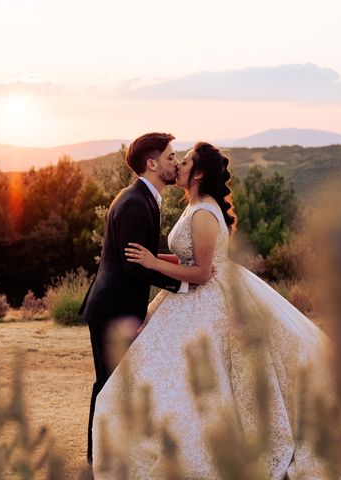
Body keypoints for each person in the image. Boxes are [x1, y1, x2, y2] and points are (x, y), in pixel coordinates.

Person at [92, 142, 334, 479]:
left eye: (186, 160)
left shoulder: (204, 211)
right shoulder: (195, 206)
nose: (178, 164)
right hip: (188, 298)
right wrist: (154, 259)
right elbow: (188, 259)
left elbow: (202, 272)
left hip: (206, 300)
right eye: (176, 158)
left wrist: (151, 263)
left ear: (200, 173)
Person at [79, 132, 190, 464]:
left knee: (118, 383)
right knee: (109, 384)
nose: (176, 162)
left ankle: (109, 453)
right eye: (171, 157)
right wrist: (186, 285)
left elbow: (147, 258)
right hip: (113, 310)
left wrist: (182, 265)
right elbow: (135, 266)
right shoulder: (133, 203)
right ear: (152, 163)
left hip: (121, 307)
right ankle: (97, 458)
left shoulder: (144, 198)